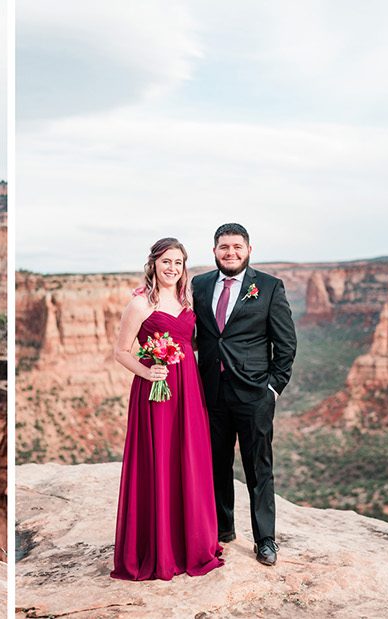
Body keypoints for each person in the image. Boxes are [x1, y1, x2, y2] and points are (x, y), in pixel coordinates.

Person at [110, 237, 223, 581]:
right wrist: (148, 370)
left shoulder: (187, 299)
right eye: (166, 261)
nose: (172, 268)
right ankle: (158, 548)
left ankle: (191, 543)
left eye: (178, 262)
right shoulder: (141, 304)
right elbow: (121, 351)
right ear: (154, 264)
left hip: (189, 390)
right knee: (158, 461)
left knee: (188, 459)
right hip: (156, 393)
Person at [191, 223, 296, 567]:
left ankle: (265, 539)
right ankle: (223, 530)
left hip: (254, 395)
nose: (230, 252)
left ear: (249, 250)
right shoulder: (201, 285)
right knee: (216, 464)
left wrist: (272, 388)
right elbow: (200, 336)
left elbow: (285, 344)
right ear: (214, 251)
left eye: (237, 247)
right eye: (224, 247)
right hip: (212, 393)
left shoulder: (267, 287)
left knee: (258, 468)